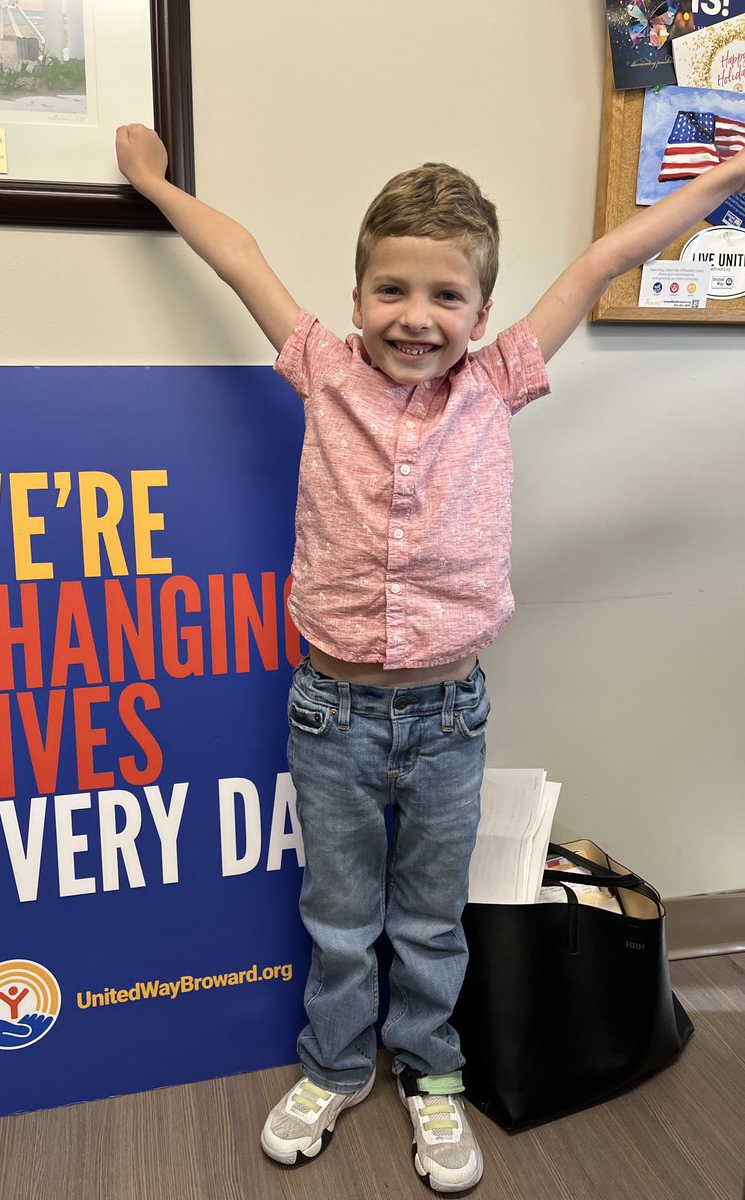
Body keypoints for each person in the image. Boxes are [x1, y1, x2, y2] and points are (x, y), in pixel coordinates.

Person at [115, 123, 745, 1194]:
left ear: (483, 314)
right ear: (357, 295)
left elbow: (602, 259)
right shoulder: (321, 370)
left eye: (446, 296)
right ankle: (333, 1065)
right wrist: (155, 183)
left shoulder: (496, 385)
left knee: (427, 916)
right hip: (332, 715)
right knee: (340, 915)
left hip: (450, 716)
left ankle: (432, 1073)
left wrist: (729, 177)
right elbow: (239, 256)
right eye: (392, 291)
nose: (417, 318)